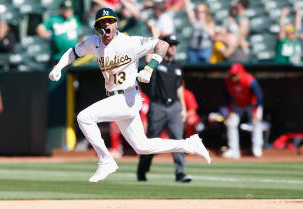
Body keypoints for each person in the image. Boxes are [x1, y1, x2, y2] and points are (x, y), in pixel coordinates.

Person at [48, 7, 211, 183]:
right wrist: (58, 67)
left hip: (128, 97)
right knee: (142, 146)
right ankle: (190, 144)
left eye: (110, 21)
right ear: (97, 27)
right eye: (103, 22)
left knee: (84, 117)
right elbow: (73, 52)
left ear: (116, 23)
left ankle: (105, 160)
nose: (107, 24)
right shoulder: (94, 43)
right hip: (115, 98)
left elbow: (162, 45)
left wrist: (149, 68)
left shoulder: (129, 42)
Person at [137, 35, 191, 183]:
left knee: (178, 139)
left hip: (174, 106)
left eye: (175, 45)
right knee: (151, 141)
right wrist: (154, 38)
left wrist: (184, 108)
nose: (173, 47)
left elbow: (180, 88)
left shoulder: (178, 66)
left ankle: (180, 173)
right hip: (158, 106)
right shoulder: (156, 62)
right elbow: (148, 59)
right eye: (170, 44)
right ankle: (142, 171)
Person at [222, 63, 263, 159]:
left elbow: (259, 96)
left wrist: (255, 110)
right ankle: (233, 149)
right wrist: (229, 109)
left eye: (235, 74)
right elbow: (225, 96)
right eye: (231, 74)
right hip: (237, 104)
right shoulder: (227, 81)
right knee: (231, 123)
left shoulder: (249, 80)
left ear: (241, 73)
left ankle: (257, 149)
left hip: (252, 104)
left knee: (256, 123)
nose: (232, 76)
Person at [36, 0, 82, 66]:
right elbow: (40, 28)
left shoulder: (76, 19)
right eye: (65, 9)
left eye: (69, 9)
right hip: (58, 57)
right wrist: (46, 35)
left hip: (75, 57)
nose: (67, 11)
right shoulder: (54, 19)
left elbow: (81, 34)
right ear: (61, 10)